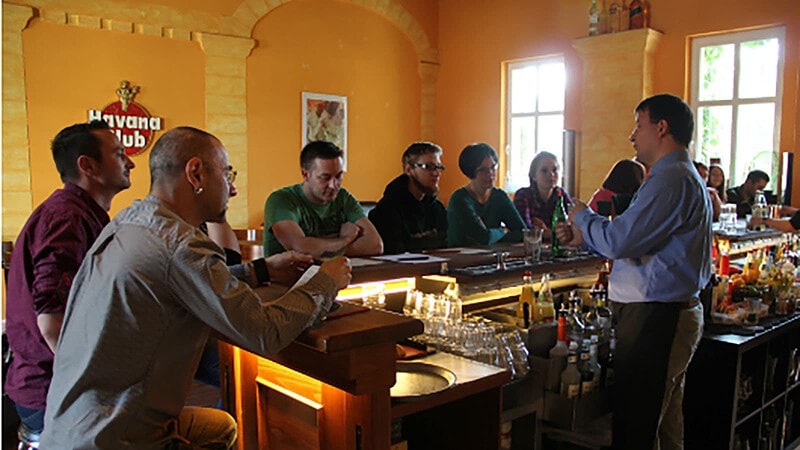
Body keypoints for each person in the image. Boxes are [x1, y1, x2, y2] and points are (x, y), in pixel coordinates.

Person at [40, 127, 352, 448]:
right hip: (117, 438)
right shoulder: (181, 244)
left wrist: (260, 270)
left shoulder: (128, 221)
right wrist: (325, 281)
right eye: (227, 174)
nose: (232, 189)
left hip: (69, 426)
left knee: (221, 426)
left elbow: (179, 281)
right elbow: (264, 332)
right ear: (196, 173)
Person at [555, 94, 711, 450]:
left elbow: (621, 241)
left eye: (639, 125)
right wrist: (585, 238)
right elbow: (638, 241)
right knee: (663, 421)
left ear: (662, 128)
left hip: (658, 318)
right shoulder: (675, 177)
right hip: (664, 313)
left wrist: (583, 216)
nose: (632, 135)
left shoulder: (672, 180)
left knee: (638, 423)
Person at [4, 120, 135, 441]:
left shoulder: (79, 213)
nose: (130, 162)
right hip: (53, 396)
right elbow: (52, 322)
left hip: (50, 388)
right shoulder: (68, 217)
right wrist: (101, 390)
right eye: (119, 154)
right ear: (87, 166)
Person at [264, 140, 383, 258]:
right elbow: (301, 249)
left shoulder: (343, 197)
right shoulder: (281, 200)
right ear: (305, 175)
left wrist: (322, 248)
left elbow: (375, 245)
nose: (333, 185)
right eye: (325, 177)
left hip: (337, 270)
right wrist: (346, 239)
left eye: (338, 176)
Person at [369, 142, 448, 254]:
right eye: (428, 167)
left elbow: (447, 246)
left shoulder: (437, 208)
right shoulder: (386, 210)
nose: (436, 173)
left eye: (438, 167)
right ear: (408, 170)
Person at [447, 143, 525, 246]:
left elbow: (522, 232)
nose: (490, 173)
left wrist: (493, 236)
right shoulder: (459, 199)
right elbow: (483, 237)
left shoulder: (499, 196)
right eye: (483, 170)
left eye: (493, 167)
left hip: (491, 253)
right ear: (470, 173)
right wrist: (503, 231)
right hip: (460, 254)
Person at [513, 151, 572, 240]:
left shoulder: (561, 194)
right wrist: (555, 233)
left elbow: (574, 227)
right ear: (534, 176)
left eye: (555, 170)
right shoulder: (523, 195)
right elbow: (525, 230)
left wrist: (546, 231)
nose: (551, 174)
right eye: (544, 170)